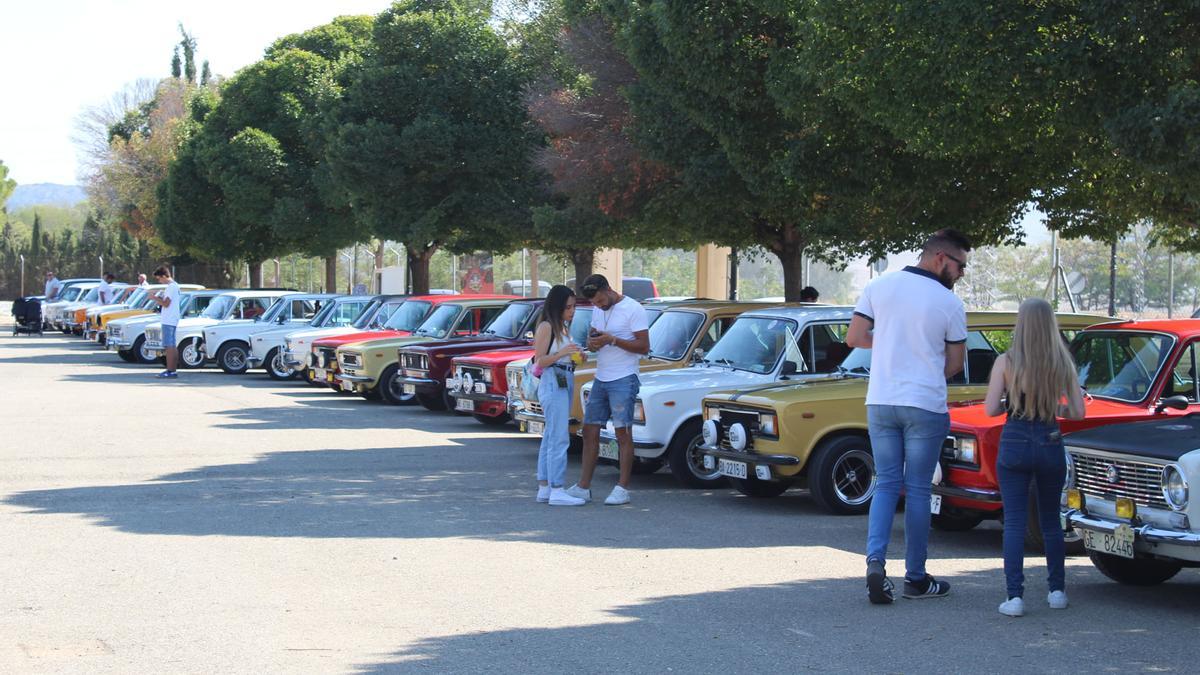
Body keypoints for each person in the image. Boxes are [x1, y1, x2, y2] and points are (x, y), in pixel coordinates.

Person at [846, 228, 971, 604]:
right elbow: (954, 363)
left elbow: (854, 337)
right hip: (924, 403)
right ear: (940, 259)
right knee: (918, 489)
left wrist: (888, 343)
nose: (962, 273)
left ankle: (874, 562)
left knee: (884, 484)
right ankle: (915, 578)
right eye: (960, 265)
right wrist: (924, 360)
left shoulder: (879, 286)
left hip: (881, 399)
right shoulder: (949, 304)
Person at [983, 298, 1085, 617]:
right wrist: (1057, 408)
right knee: (1050, 521)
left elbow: (990, 409)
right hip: (1049, 440)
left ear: (1022, 324)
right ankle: (1057, 591)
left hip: (1014, 440)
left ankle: (1015, 597)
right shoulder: (1062, 362)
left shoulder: (1007, 361)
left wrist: (1009, 403)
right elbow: (1079, 412)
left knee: (1013, 521)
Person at [565, 274, 650, 505]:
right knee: (590, 430)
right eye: (594, 303)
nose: (598, 306)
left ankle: (622, 488)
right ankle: (583, 486)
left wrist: (613, 340)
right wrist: (592, 342)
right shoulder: (597, 309)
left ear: (608, 289)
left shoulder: (633, 309)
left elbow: (643, 346)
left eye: (600, 301)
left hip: (624, 377)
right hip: (601, 376)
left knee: (622, 432)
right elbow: (593, 334)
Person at [533, 285, 586, 506]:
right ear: (557, 306)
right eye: (568, 307)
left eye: (573, 307)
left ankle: (545, 487)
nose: (572, 311)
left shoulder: (562, 327)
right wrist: (561, 353)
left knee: (551, 436)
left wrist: (577, 356)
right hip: (553, 381)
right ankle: (557, 488)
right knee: (559, 437)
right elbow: (540, 361)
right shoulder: (547, 326)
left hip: (564, 378)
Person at [147, 265, 181, 379]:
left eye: (159, 278)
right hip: (171, 318)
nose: (159, 281)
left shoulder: (171, 287)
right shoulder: (174, 286)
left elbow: (166, 303)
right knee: (172, 345)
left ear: (163, 276)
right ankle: (172, 370)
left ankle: (170, 371)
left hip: (169, 319)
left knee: (169, 345)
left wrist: (154, 298)